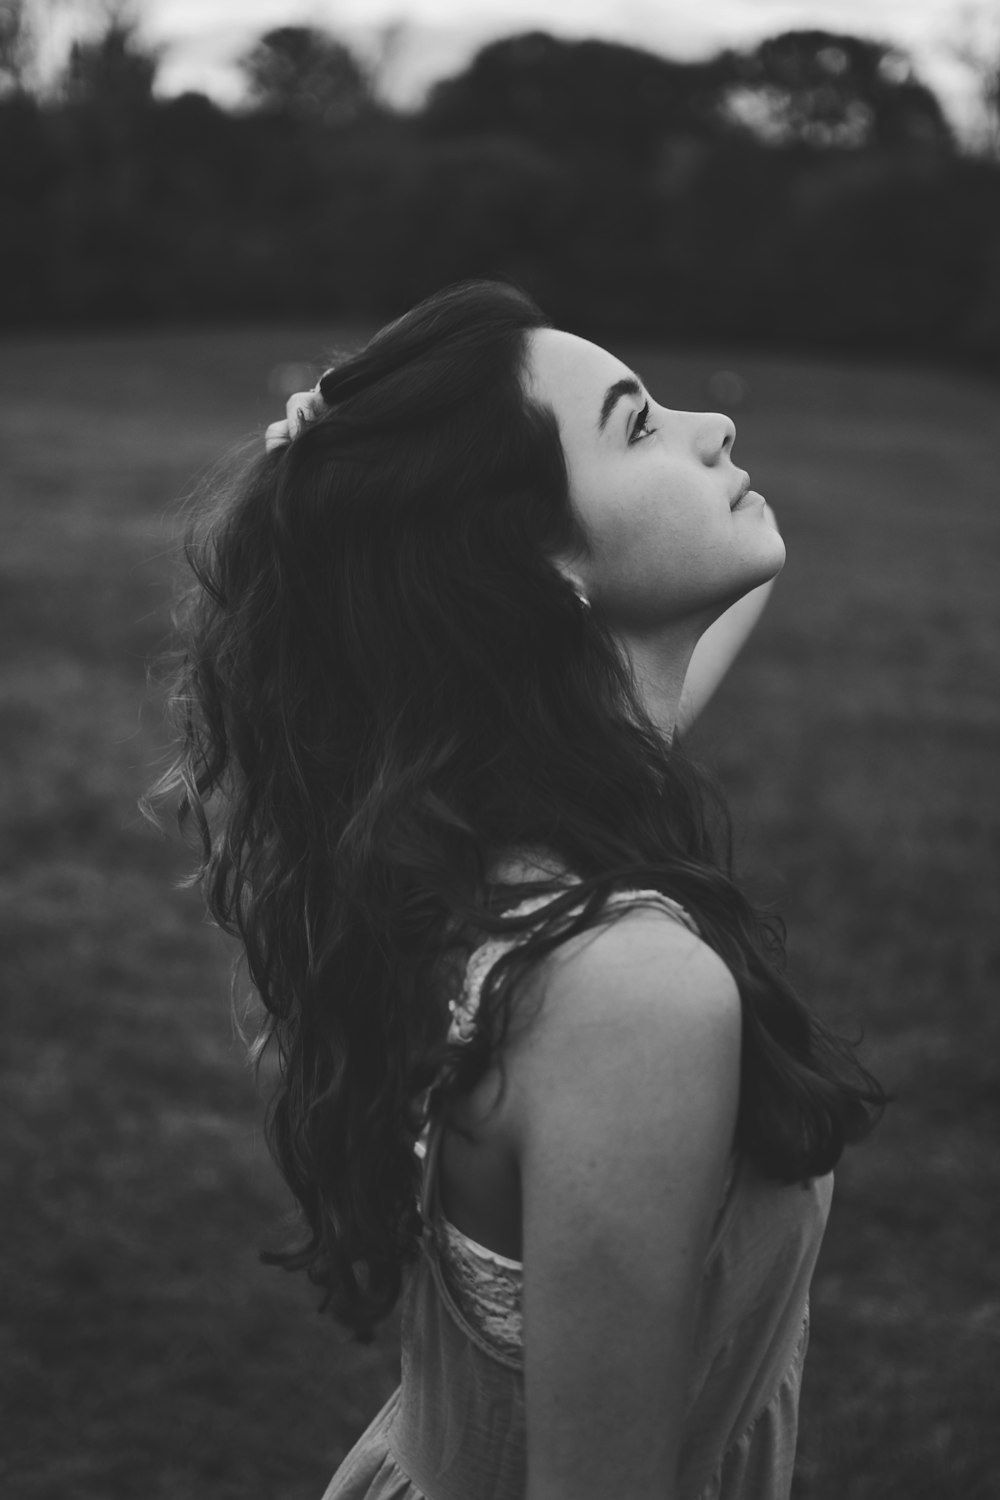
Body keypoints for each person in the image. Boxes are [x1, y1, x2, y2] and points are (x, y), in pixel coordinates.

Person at [153, 280, 884, 1500]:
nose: (715, 427)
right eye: (638, 422)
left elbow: (727, 573)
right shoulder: (627, 992)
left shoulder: (490, 821)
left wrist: (364, 464)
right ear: (536, 571)